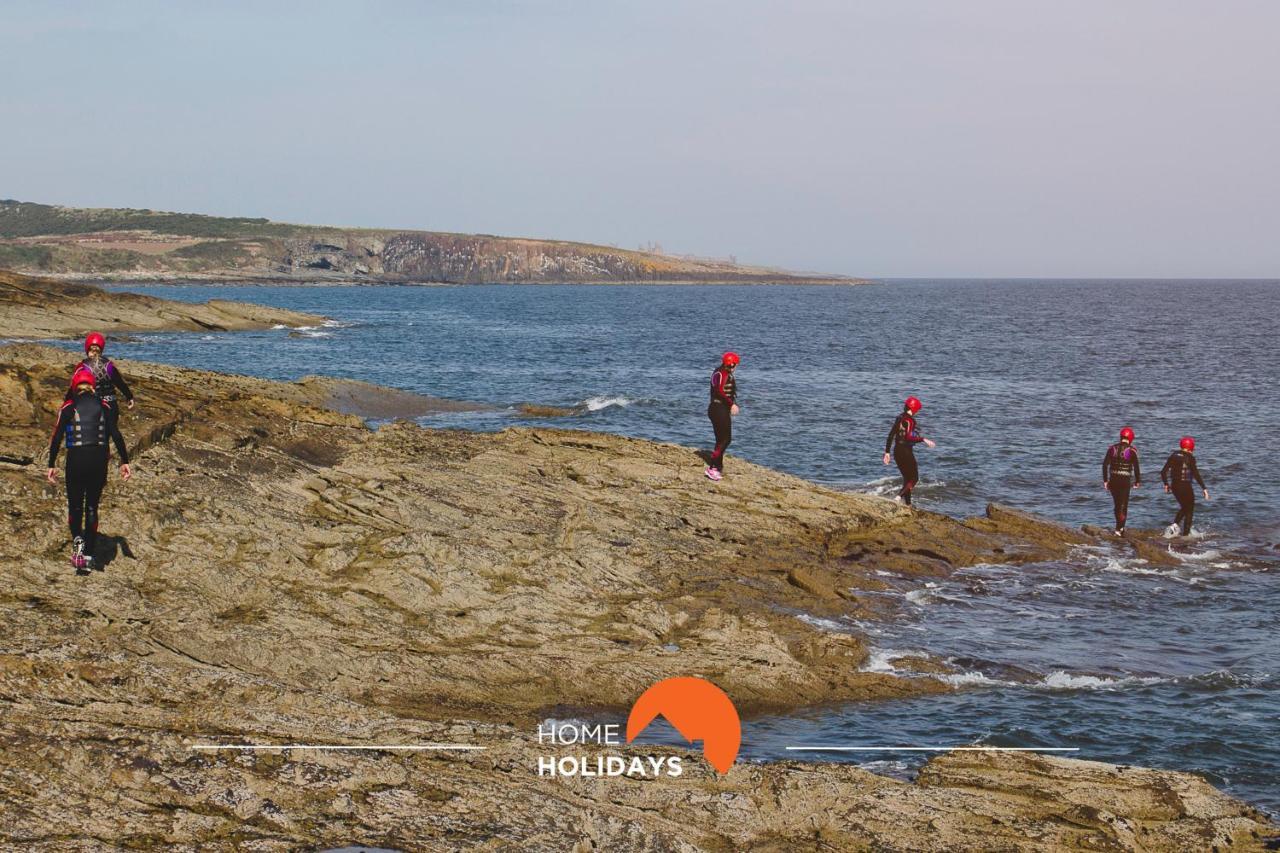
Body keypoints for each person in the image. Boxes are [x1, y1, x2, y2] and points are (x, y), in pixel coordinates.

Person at [47, 367, 132, 571]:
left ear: (75, 386)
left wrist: (51, 464)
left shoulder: (68, 406)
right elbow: (116, 434)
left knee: (75, 507)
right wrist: (124, 461)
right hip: (98, 460)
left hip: (76, 460)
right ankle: (89, 554)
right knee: (92, 506)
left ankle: (78, 547)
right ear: (92, 386)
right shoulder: (104, 406)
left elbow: (57, 437)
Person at [883, 396, 935, 506]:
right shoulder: (910, 421)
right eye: (917, 410)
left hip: (897, 450)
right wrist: (923, 439)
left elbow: (891, 435)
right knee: (914, 478)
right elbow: (908, 437)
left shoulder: (899, 418)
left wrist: (887, 452)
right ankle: (898, 497)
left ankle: (908, 505)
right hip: (906, 451)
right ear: (914, 408)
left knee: (907, 479)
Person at [66, 332, 135, 413]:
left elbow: (73, 388)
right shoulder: (109, 366)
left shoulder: (82, 367)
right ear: (102, 348)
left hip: (92, 405)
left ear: (87, 347)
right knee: (112, 426)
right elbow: (120, 383)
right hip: (111, 405)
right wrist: (129, 397)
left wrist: (67, 403)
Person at [1161, 436, 1209, 537]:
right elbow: (1195, 474)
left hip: (1174, 486)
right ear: (1191, 447)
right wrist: (1204, 488)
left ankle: (1175, 525)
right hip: (1185, 486)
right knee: (1189, 509)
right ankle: (1185, 534)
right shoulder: (1190, 458)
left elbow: (1163, 472)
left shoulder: (1173, 455)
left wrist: (1166, 484)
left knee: (1184, 507)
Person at [704, 352, 740, 481]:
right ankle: (713, 468)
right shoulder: (721, 374)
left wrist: (729, 405)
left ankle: (717, 466)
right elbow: (719, 391)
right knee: (725, 439)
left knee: (721, 439)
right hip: (718, 409)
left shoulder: (720, 372)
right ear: (732, 364)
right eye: (735, 365)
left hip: (719, 409)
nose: (735, 368)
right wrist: (732, 404)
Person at [1101, 426, 1141, 535]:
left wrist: (1105, 480)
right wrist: (1138, 481)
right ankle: (1120, 529)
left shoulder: (1112, 449)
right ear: (1131, 438)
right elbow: (1136, 468)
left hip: (1113, 480)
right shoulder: (1132, 451)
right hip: (1124, 481)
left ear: (1121, 436)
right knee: (1124, 505)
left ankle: (1118, 527)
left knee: (1117, 505)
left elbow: (1105, 465)